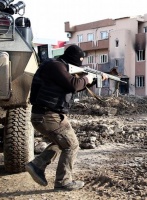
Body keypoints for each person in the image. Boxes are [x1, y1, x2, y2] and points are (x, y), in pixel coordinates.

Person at [25, 44, 106, 190]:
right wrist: (87, 79)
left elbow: (74, 84)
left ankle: (37, 165)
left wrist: (95, 79)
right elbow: (72, 85)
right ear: (73, 60)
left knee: (62, 143)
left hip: (48, 114)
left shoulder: (56, 66)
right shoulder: (56, 66)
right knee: (72, 145)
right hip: (48, 115)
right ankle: (63, 182)